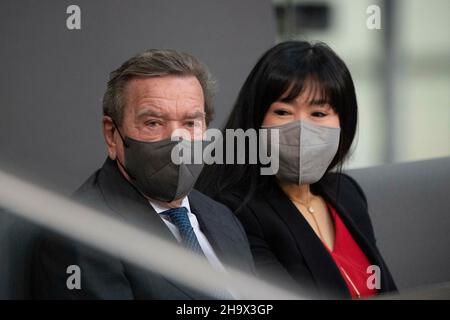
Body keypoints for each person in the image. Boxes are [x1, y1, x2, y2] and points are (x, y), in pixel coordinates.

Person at [32, 49, 254, 299]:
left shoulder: (223, 218)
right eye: (153, 123)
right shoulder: (81, 233)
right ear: (112, 135)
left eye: (190, 123)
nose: (177, 140)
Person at [196, 41, 397, 299]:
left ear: (343, 123)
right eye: (283, 111)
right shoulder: (235, 211)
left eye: (318, 113)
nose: (301, 129)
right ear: (255, 121)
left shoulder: (347, 192)